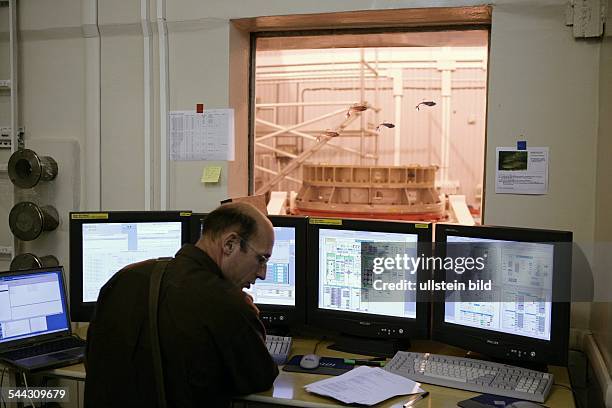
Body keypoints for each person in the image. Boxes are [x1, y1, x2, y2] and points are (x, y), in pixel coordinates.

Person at [84, 203, 279, 407]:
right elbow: (260, 378)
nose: (262, 273)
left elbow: (93, 360)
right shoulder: (227, 302)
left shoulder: (123, 278)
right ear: (230, 244)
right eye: (262, 259)